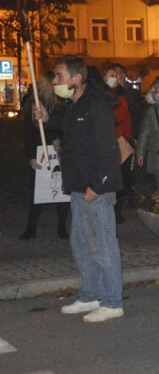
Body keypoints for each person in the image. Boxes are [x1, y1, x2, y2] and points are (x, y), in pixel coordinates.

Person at [34, 55, 124, 323]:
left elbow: (110, 151)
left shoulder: (96, 106)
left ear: (77, 78)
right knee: (82, 244)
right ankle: (90, 295)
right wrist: (48, 118)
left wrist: (97, 185)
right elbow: (69, 129)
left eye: (60, 76)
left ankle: (112, 301)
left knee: (103, 246)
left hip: (94, 187)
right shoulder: (74, 106)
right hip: (77, 186)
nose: (55, 81)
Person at [19, 72, 69, 241]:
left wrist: (58, 138)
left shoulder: (61, 103)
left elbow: (65, 125)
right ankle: (31, 228)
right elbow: (29, 131)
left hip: (58, 153)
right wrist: (31, 155)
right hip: (40, 152)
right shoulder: (34, 104)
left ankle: (62, 227)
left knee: (62, 192)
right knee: (37, 191)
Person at [102, 64, 135, 221]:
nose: (115, 79)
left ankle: (117, 208)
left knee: (121, 176)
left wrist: (129, 139)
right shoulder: (102, 96)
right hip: (109, 139)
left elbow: (123, 118)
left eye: (117, 75)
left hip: (121, 139)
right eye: (111, 75)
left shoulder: (121, 96)